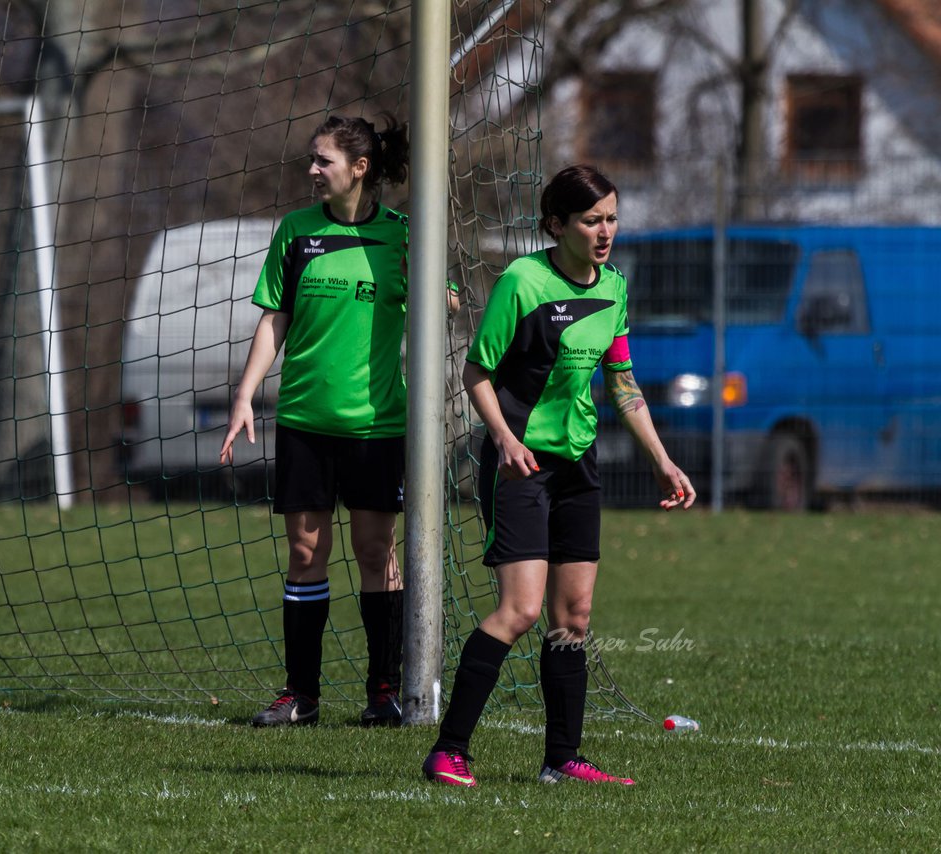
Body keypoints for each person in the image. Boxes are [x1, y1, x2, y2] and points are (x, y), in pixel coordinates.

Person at [421, 164, 696, 786]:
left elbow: (623, 383)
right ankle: (449, 749)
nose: (605, 232)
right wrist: (504, 437)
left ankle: (562, 759)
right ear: (556, 225)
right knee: (518, 611)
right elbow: (476, 371)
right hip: (520, 464)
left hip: (578, 464)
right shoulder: (523, 281)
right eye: (591, 220)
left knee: (573, 617)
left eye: (612, 218)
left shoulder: (616, 287)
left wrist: (661, 459)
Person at [220, 114, 453, 728]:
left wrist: (440, 292)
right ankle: (301, 694)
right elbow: (274, 319)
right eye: (313, 159)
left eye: (323, 160)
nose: (312, 170)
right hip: (303, 420)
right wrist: (246, 395)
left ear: (360, 168)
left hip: (377, 427)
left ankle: (384, 691)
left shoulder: (404, 235)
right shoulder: (296, 233)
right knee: (304, 551)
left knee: (377, 552)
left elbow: (445, 301)